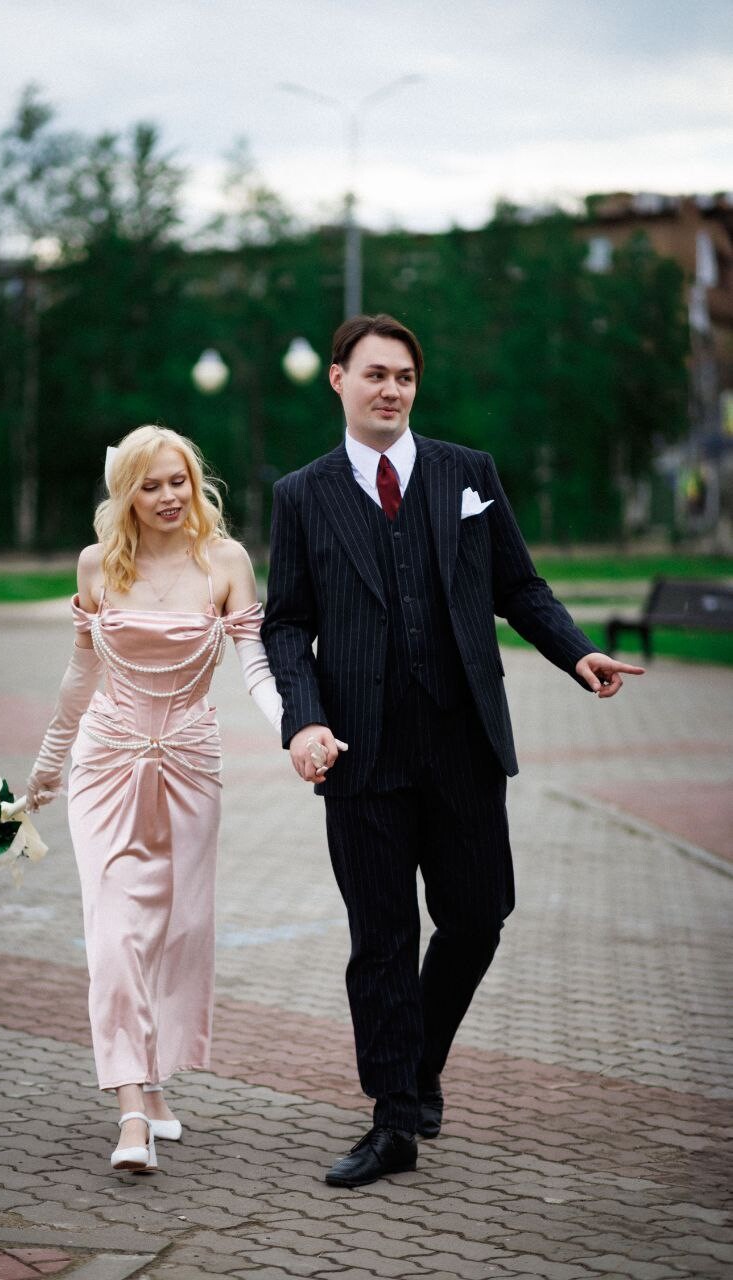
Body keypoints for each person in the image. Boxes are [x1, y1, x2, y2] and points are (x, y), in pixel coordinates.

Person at [261, 313, 644, 1189]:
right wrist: (302, 720)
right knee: (382, 940)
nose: (390, 389)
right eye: (375, 374)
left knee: (477, 916)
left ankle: (419, 1059)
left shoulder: (468, 473)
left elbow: (518, 585)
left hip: (462, 741)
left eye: (403, 376)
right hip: (359, 753)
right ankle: (393, 1119)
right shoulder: (301, 494)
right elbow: (286, 624)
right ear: (338, 380)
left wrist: (575, 651)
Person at [26, 425, 281, 1174]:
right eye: (150, 485)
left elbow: (256, 668)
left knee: (177, 932)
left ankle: (157, 1080)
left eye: (178, 482)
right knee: (114, 934)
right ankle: (131, 1110)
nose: (168, 496)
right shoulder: (97, 565)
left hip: (191, 767)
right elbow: (80, 676)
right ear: (126, 493)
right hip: (104, 765)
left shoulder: (226, 562)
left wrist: (298, 730)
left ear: (195, 485)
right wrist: (46, 767)